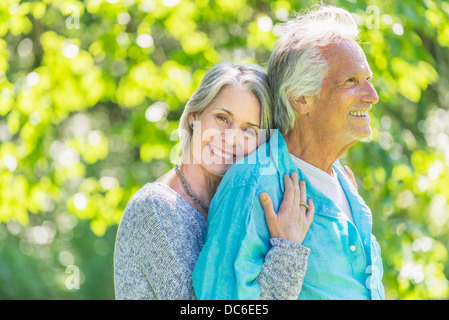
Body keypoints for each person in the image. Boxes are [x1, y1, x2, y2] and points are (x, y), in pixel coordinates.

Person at [192, 5, 385, 300]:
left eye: (368, 79)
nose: (372, 95)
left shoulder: (344, 184)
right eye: (352, 81)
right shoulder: (254, 183)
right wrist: (287, 253)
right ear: (301, 98)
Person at [113, 61, 316, 300]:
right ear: (194, 116)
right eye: (222, 118)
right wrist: (287, 251)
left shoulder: (239, 208)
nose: (231, 139)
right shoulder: (155, 208)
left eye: (248, 130)